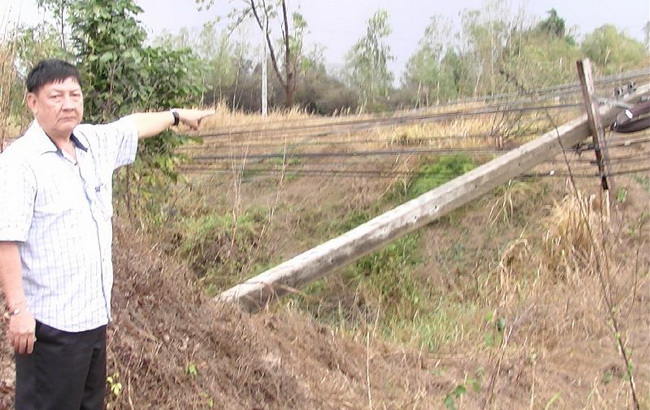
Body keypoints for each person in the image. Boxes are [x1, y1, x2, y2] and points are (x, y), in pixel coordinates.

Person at [0, 59, 214, 409]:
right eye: (56, 96)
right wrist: (18, 310)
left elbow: (133, 125)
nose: (68, 104)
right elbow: (7, 239)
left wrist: (176, 115)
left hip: (92, 320)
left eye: (74, 94)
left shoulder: (92, 143)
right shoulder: (20, 162)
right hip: (50, 328)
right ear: (32, 102)